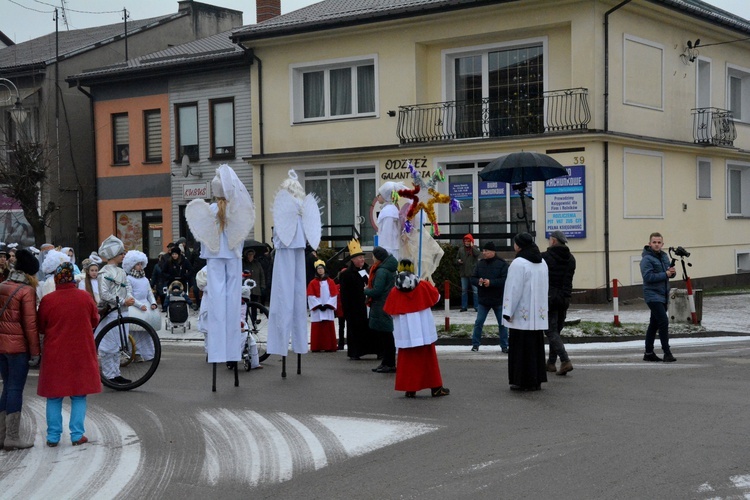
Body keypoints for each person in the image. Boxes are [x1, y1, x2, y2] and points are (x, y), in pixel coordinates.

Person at [186, 165, 254, 369]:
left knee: (216, 299)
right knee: (233, 301)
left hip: (215, 256)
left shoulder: (212, 210)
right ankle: (233, 348)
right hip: (232, 256)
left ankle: (216, 349)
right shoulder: (237, 210)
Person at [36, 261, 100, 447]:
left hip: (55, 353)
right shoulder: (85, 297)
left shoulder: (48, 300)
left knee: (54, 396)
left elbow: (41, 326)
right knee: (79, 394)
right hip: (81, 351)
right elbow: (95, 320)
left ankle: (53, 436)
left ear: (56, 280)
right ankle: (77, 434)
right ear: (73, 279)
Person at [266, 170, 321, 363]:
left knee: (282, 295)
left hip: (285, 250)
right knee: (298, 297)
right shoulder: (302, 207)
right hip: (298, 249)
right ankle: (298, 343)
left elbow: (279, 235)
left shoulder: (285, 206)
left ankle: (279, 343)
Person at [384, 259, 449, 398]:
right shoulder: (423, 285)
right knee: (428, 360)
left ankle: (410, 388)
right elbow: (436, 298)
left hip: (405, 333)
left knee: (407, 361)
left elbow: (390, 311)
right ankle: (436, 388)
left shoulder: (395, 291)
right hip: (424, 330)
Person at [0, 248, 40, 450]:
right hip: (18, 348)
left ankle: (1, 435)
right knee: (15, 388)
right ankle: (13, 437)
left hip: (1, 347)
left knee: (6, 387)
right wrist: (35, 353)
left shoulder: (3, 285)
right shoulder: (27, 291)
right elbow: (30, 326)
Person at [502, 233, 549, 391]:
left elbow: (513, 289)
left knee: (521, 349)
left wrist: (508, 310)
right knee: (535, 348)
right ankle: (536, 379)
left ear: (519, 245)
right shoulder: (542, 262)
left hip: (521, 314)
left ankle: (522, 380)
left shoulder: (519, 263)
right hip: (537, 314)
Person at [96, 235, 136, 385]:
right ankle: (109, 375)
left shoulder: (122, 272)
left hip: (123, 312)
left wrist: (130, 299)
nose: (123, 256)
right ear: (114, 255)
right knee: (109, 346)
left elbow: (128, 287)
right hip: (111, 313)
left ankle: (116, 373)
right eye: (121, 253)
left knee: (119, 344)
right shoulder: (104, 273)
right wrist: (122, 300)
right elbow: (105, 294)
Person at [542, 230, 576, 376]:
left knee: (550, 331)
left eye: (550, 239)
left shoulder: (546, 257)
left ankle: (565, 360)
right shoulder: (571, 258)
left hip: (550, 297)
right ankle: (550, 363)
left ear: (554, 241)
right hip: (565, 297)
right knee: (556, 331)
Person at [339, 239, 378, 360]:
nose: (362, 260)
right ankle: (356, 352)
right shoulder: (346, 274)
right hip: (355, 307)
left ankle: (373, 350)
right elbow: (344, 294)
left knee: (371, 329)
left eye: (362, 257)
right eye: (359, 258)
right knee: (355, 330)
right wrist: (347, 310)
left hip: (368, 306)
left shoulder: (368, 270)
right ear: (353, 260)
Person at [640, 232, 677, 362]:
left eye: (659, 242)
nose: (656, 244)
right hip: (652, 295)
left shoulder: (664, 257)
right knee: (663, 321)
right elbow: (648, 277)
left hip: (663, 294)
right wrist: (666, 274)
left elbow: (668, 273)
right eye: (654, 242)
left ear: (662, 244)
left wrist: (672, 273)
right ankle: (667, 352)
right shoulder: (647, 259)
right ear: (649, 244)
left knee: (654, 324)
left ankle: (648, 353)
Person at [470, 241, 509, 353]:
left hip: (498, 299)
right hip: (484, 299)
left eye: (486, 251)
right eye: (483, 251)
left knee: (502, 324)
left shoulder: (502, 264)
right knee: (479, 322)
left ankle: (504, 345)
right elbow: (473, 278)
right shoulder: (480, 263)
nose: (484, 253)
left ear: (493, 252)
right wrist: (479, 281)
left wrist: (491, 282)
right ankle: (475, 344)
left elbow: (505, 280)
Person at [364, 246, 398, 373]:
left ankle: (389, 363)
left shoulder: (381, 271)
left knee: (386, 335)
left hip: (381, 304)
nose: (372, 258)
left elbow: (377, 290)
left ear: (378, 257)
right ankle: (386, 362)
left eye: (373, 256)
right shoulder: (386, 268)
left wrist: (366, 290)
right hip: (384, 303)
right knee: (385, 335)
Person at [123, 250, 159, 362]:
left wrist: (153, 303)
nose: (140, 266)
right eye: (137, 264)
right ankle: (135, 353)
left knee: (146, 331)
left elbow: (149, 292)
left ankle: (149, 354)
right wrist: (139, 305)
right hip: (135, 307)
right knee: (134, 331)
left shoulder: (145, 279)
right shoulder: (128, 279)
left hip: (146, 306)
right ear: (131, 266)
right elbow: (129, 294)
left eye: (140, 264)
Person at [307, 260, 339, 352]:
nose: (320, 270)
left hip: (328, 307)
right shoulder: (313, 282)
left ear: (324, 269)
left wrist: (328, 304)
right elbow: (310, 296)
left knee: (327, 326)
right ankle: (317, 346)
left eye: (321, 268)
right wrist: (318, 305)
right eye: (318, 269)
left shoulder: (330, 281)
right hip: (318, 308)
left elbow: (334, 295)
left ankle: (329, 346)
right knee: (317, 327)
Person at [376, 181, 406, 259]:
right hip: (390, 249)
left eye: (379, 194)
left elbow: (387, 235)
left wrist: (383, 253)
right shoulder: (390, 209)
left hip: (389, 251)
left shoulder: (388, 211)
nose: (377, 196)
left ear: (385, 196)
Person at [456, 234, 480, 312]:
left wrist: (472, 247)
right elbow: (457, 258)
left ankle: (477, 307)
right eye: (465, 241)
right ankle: (464, 306)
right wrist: (458, 261)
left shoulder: (474, 248)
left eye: (468, 241)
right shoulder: (461, 249)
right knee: (464, 291)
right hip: (463, 273)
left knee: (475, 291)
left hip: (473, 274)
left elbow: (477, 254)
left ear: (471, 241)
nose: (466, 242)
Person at [242, 248, 265, 323]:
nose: (250, 256)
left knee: (255, 305)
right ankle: (245, 320)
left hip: (255, 288)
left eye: (251, 254)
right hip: (246, 288)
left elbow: (262, 275)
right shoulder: (244, 263)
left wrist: (262, 285)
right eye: (249, 255)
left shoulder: (257, 264)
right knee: (245, 305)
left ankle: (254, 319)